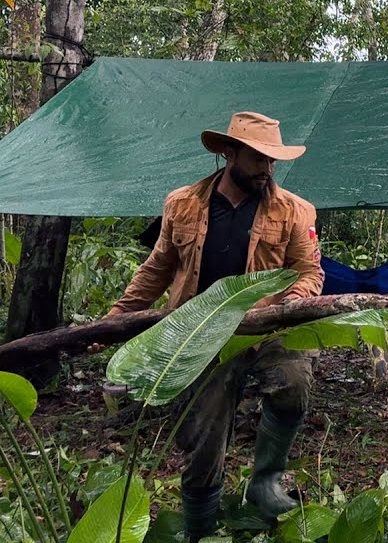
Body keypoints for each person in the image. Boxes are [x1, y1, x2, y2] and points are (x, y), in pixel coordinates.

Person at [103, 111, 324, 540]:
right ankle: (201, 528)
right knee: (202, 442)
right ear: (229, 153)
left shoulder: (295, 211)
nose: (266, 169)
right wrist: (116, 320)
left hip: (268, 329)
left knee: (294, 384)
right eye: (258, 158)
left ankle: (266, 481)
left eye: (272, 160)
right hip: (199, 334)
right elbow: (157, 270)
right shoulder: (182, 204)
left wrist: (293, 303)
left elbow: (308, 272)